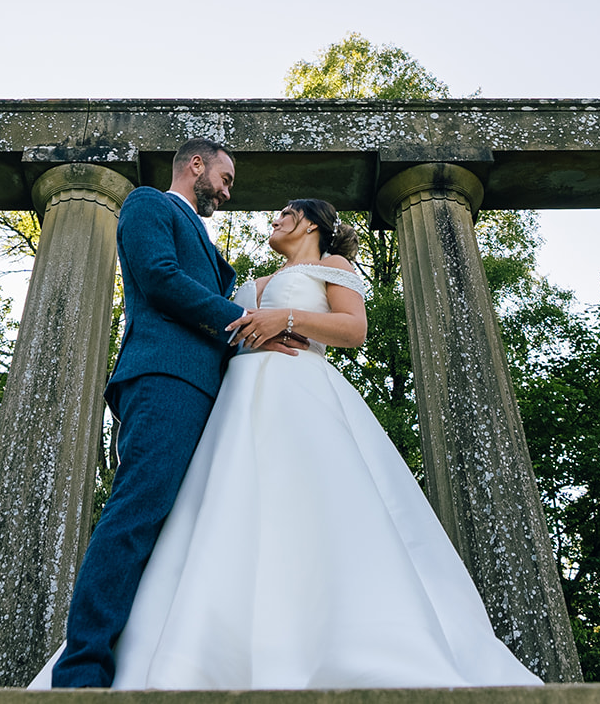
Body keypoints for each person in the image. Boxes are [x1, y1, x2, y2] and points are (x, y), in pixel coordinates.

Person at [36, 196, 541, 689]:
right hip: (234, 403)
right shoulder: (246, 283)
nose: (272, 223)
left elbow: (353, 329)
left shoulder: (332, 265)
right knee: (219, 515)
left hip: (300, 394)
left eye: (282, 215)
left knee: (310, 513)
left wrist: (288, 319)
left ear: (307, 222)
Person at [49, 138, 253, 688]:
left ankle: (151, 665)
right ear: (195, 165)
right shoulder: (147, 204)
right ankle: (82, 670)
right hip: (165, 377)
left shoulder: (205, 239)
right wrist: (244, 323)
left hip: (210, 392)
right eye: (225, 178)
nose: (228, 192)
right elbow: (161, 278)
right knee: (136, 512)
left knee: (182, 527)